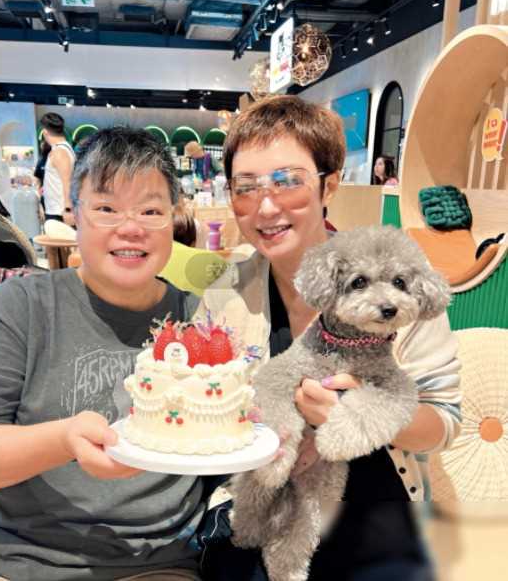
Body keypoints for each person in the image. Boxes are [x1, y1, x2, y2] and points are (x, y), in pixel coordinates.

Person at [197, 95, 461, 581]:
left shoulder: (397, 284)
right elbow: (206, 407)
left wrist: (356, 414)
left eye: (287, 181)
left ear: (329, 184)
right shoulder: (225, 293)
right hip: (265, 501)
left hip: (378, 508)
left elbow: (443, 423)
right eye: (246, 188)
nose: (266, 206)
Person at [0, 128, 209, 581]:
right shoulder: (21, 307)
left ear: (173, 220)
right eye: (106, 209)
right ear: (73, 213)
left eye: (150, 210)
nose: (131, 227)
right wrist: (63, 440)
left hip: (146, 566)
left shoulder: (202, 323)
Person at [40, 112, 76, 225]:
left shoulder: (60, 152)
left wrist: (68, 210)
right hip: (55, 211)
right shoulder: (59, 149)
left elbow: (68, 182)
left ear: (45, 132)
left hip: (60, 213)